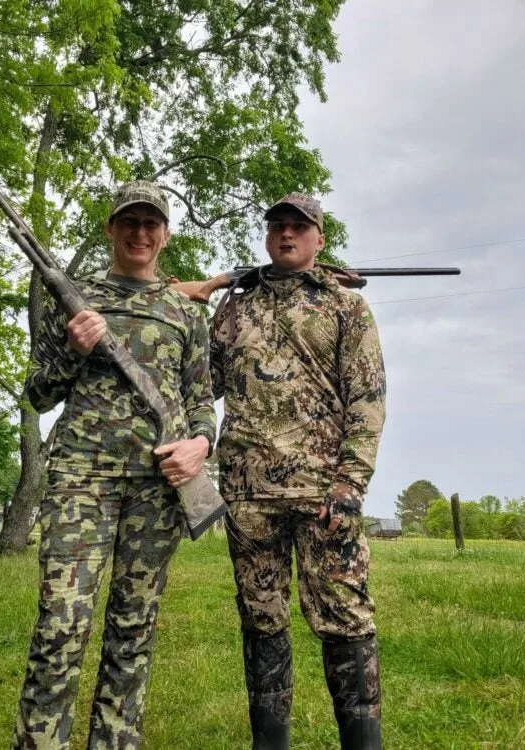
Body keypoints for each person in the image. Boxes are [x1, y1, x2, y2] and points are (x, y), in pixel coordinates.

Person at [14, 181, 216, 749]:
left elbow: (201, 398)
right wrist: (74, 351)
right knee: (61, 626)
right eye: (129, 222)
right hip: (81, 480)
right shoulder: (75, 296)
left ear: (166, 235)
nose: (140, 233)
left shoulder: (185, 311)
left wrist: (201, 443)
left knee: (133, 632)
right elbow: (37, 393)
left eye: (152, 223)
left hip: (158, 491)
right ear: (110, 229)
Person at [210, 193, 387, 749]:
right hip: (248, 496)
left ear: (319, 238)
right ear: (267, 237)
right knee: (261, 622)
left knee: (345, 621)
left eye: (299, 226)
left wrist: (349, 484)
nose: (287, 234)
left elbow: (368, 396)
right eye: (277, 226)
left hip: (322, 495)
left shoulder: (344, 306)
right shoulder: (235, 307)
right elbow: (201, 385)